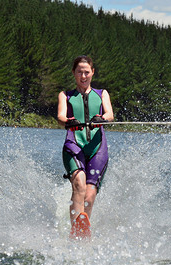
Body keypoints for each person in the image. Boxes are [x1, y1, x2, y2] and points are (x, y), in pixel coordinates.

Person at [57, 55, 114, 232]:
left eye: (87, 72)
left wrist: (101, 118)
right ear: (74, 73)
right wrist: (68, 121)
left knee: (89, 196)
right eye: (80, 72)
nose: (83, 76)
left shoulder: (102, 94)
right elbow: (60, 116)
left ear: (92, 73)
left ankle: (83, 228)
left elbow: (110, 115)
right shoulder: (65, 95)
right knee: (79, 184)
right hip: (74, 146)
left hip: (97, 149)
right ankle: (75, 228)